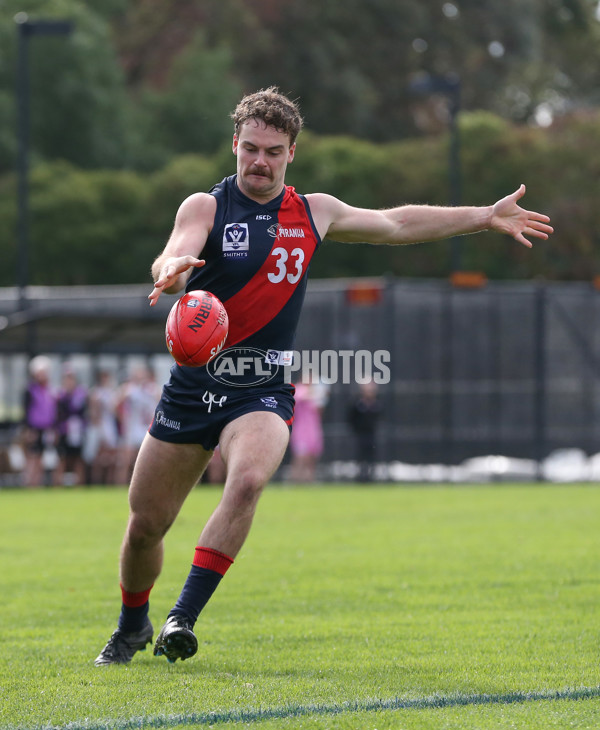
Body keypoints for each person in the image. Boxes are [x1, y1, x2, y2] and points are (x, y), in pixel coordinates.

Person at [95, 86, 552, 666]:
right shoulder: (205, 208)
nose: (260, 161)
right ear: (235, 145)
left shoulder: (314, 212)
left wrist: (483, 217)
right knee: (145, 526)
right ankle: (134, 622)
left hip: (261, 386)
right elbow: (174, 252)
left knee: (250, 480)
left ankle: (182, 616)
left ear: (291, 155)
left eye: (274, 151)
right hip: (193, 384)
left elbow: (395, 223)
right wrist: (173, 270)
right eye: (252, 148)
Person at [22, 355, 58, 487]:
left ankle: (37, 483)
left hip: (46, 429)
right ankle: (29, 483)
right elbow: (26, 411)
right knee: (32, 457)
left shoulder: (50, 390)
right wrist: (28, 429)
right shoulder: (30, 390)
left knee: (42, 458)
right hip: (34, 428)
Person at [289, 380, 329, 482]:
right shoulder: (299, 389)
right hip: (301, 428)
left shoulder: (315, 392)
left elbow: (319, 410)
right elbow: (297, 399)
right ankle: (295, 478)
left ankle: (309, 479)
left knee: (312, 456)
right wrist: (316, 394)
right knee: (300, 456)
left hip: (313, 428)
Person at [56, 364, 88, 487]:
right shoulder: (60, 395)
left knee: (78, 458)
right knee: (63, 459)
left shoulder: (81, 394)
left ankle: (79, 485)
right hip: (64, 430)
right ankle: (57, 485)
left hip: (78, 431)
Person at [348, 381, 382, 482]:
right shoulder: (357, 404)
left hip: (372, 434)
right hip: (360, 435)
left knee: (371, 455)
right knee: (360, 456)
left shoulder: (377, 404)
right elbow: (351, 419)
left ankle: (371, 476)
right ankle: (360, 476)